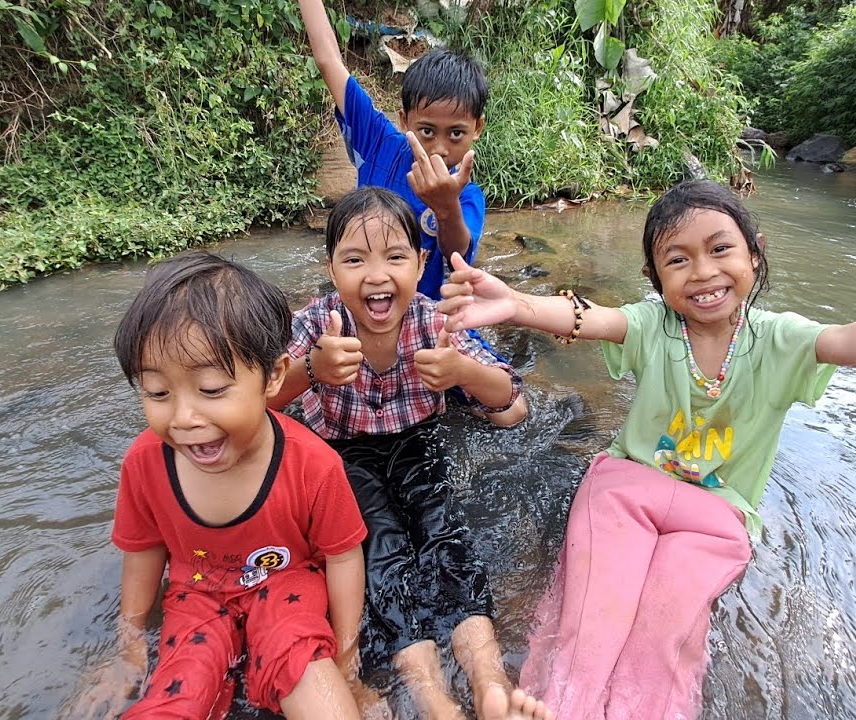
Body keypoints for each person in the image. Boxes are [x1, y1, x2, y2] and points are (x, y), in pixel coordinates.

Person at [437, 179, 856, 719]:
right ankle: (556, 707)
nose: (703, 272)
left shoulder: (781, 339)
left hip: (716, 516)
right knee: (594, 610)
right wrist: (517, 303)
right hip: (627, 488)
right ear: (655, 278)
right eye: (677, 260)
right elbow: (588, 318)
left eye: (720, 249)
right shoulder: (652, 325)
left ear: (755, 253)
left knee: (666, 628)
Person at [268, 187, 543, 720]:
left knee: (445, 535)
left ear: (420, 264)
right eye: (354, 260)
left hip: (418, 443)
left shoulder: (432, 321)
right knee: (380, 548)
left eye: (395, 257)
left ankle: (489, 678)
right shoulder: (317, 323)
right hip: (343, 454)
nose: (376, 276)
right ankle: (431, 695)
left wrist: (463, 372)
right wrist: (311, 371)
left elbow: (510, 400)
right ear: (330, 268)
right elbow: (256, 398)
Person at [70, 252, 369, 719]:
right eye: (157, 392)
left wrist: (348, 663)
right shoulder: (145, 463)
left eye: (210, 389)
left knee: (303, 662)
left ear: (273, 376)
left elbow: (344, 556)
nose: (184, 418)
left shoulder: (314, 464)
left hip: (287, 585)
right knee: (178, 691)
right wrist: (129, 647)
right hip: (196, 594)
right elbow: (144, 551)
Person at [299, 0, 488, 300]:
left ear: (477, 128)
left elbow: (457, 256)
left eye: (456, 133)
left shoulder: (466, 196)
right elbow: (328, 61)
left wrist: (446, 208)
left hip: (421, 316)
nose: (439, 149)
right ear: (404, 121)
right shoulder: (379, 142)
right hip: (363, 303)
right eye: (427, 131)